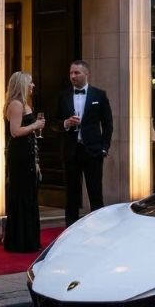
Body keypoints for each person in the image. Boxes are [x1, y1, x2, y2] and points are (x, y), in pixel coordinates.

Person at [56, 60, 113, 226]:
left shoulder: (99, 95)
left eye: (77, 73)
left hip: (93, 152)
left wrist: (104, 148)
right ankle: (69, 230)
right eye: (71, 73)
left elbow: (108, 124)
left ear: (86, 74)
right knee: (71, 195)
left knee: (95, 193)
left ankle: (99, 228)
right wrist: (66, 123)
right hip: (71, 151)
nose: (73, 76)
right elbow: (54, 122)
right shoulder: (63, 95)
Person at [3, 71, 44, 253]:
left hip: (27, 153)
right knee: (21, 195)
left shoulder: (25, 104)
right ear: (22, 84)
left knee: (29, 195)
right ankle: (20, 241)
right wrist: (35, 126)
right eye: (30, 82)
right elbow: (15, 132)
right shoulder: (16, 104)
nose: (33, 85)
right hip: (19, 156)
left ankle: (29, 239)